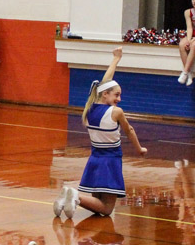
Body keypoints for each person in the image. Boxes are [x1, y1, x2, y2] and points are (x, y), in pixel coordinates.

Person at [53, 47, 147, 219]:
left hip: (95, 160)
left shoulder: (89, 108)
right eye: (117, 95)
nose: (119, 99)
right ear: (105, 94)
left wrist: (116, 59)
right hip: (110, 161)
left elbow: (106, 82)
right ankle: (76, 196)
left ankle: (67, 197)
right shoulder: (116, 112)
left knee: (98, 205)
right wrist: (139, 149)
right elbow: (130, 130)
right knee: (107, 209)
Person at [178, 0, 195, 86]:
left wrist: (192, 41)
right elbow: (189, 27)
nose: (194, 1)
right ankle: (189, 74)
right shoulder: (188, 12)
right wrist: (188, 40)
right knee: (182, 44)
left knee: (194, 45)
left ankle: (184, 72)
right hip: (193, 34)